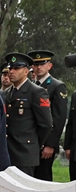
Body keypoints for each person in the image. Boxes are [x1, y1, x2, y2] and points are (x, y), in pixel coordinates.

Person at [1, 51, 53, 175]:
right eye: (10, 68)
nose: (11, 72)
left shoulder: (36, 92)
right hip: (6, 152)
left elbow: (45, 124)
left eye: (16, 68)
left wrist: (33, 143)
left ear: (26, 71)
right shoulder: (6, 93)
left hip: (25, 154)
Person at [28, 50, 68, 181]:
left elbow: (59, 118)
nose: (39, 67)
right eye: (36, 64)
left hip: (46, 144)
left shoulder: (57, 86)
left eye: (42, 64)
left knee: (43, 177)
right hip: (31, 142)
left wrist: (50, 144)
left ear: (49, 66)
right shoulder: (31, 86)